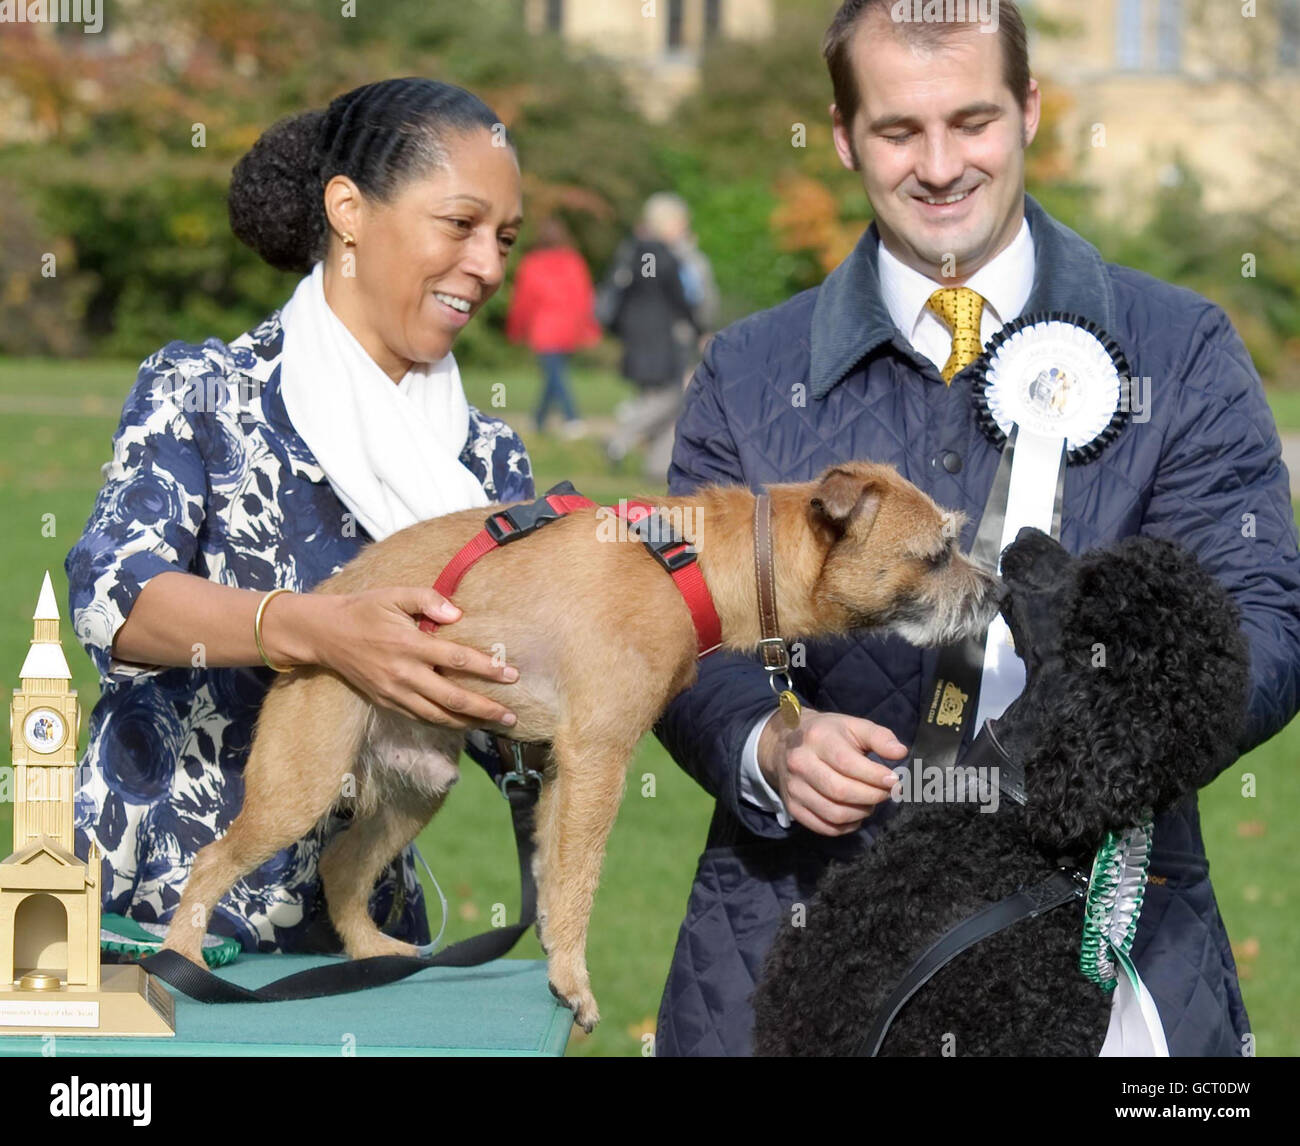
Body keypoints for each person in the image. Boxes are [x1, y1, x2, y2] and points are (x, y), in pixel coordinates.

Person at [652, 0, 1300, 1056]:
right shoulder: (747, 371)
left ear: (1029, 108)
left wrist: (1105, 742)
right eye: (899, 130)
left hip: (1109, 945)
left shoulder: (1180, 350)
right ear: (844, 134)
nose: (941, 165)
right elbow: (679, 629)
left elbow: (1261, 617)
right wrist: (767, 742)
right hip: (798, 945)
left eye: (973, 121)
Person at [64, 77, 536, 956]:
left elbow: (506, 730)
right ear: (349, 211)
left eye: (504, 239)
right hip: (156, 911)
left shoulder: (490, 462)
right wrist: (318, 630)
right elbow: (112, 597)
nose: (489, 266)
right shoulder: (205, 390)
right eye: (460, 224)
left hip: (356, 934)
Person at [601, 193, 706, 481]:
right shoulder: (664, 256)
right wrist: (699, 330)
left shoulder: (633, 253)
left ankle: (658, 465)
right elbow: (680, 300)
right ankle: (619, 438)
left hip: (639, 338)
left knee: (664, 398)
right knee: (672, 396)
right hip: (660, 340)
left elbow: (621, 297)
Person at [504, 215, 601, 439]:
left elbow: (523, 301)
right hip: (569, 328)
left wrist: (516, 329)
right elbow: (585, 298)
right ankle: (538, 420)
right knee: (554, 373)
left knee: (555, 375)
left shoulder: (532, 264)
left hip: (544, 328)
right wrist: (587, 327)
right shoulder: (574, 262)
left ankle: (572, 418)